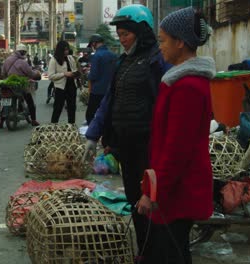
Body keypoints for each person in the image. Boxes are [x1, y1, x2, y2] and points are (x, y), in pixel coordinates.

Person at [83, 4, 169, 262]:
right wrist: (93, 134)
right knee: (135, 201)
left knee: (153, 203)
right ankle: (143, 251)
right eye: (119, 34)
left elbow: (167, 106)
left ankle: (157, 254)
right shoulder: (124, 61)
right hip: (126, 148)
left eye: (126, 34)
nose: (121, 39)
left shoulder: (158, 60)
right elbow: (109, 101)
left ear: (141, 32)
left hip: (150, 147)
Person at [137, 7, 214, 263]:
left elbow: (176, 149)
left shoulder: (188, 87)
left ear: (180, 42)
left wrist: (154, 192)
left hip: (178, 190)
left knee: (171, 253)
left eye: (163, 41)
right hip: (173, 186)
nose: (160, 47)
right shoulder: (180, 81)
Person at [0, 44, 41, 128]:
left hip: (8, 85)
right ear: (23, 52)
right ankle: (33, 120)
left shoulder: (7, 60)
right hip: (20, 86)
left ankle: (1, 122)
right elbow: (30, 73)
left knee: (5, 102)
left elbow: (3, 73)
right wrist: (37, 73)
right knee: (30, 101)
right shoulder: (22, 62)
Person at [85, 34, 117, 125]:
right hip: (111, 90)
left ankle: (93, 135)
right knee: (108, 115)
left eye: (92, 45)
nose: (92, 47)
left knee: (90, 115)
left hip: (97, 91)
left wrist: (88, 75)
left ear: (94, 43)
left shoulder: (96, 56)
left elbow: (93, 75)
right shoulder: (113, 55)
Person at [48, 40, 79, 124]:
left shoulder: (70, 58)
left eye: (67, 49)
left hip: (72, 86)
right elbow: (50, 76)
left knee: (72, 109)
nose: (66, 52)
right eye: (64, 50)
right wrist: (64, 74)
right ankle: (53, 127)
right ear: (60, 50)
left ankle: (71, 128)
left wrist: (75, 73)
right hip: (60, 88)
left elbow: (74, 70)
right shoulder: (54, 60)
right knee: (58, 109)